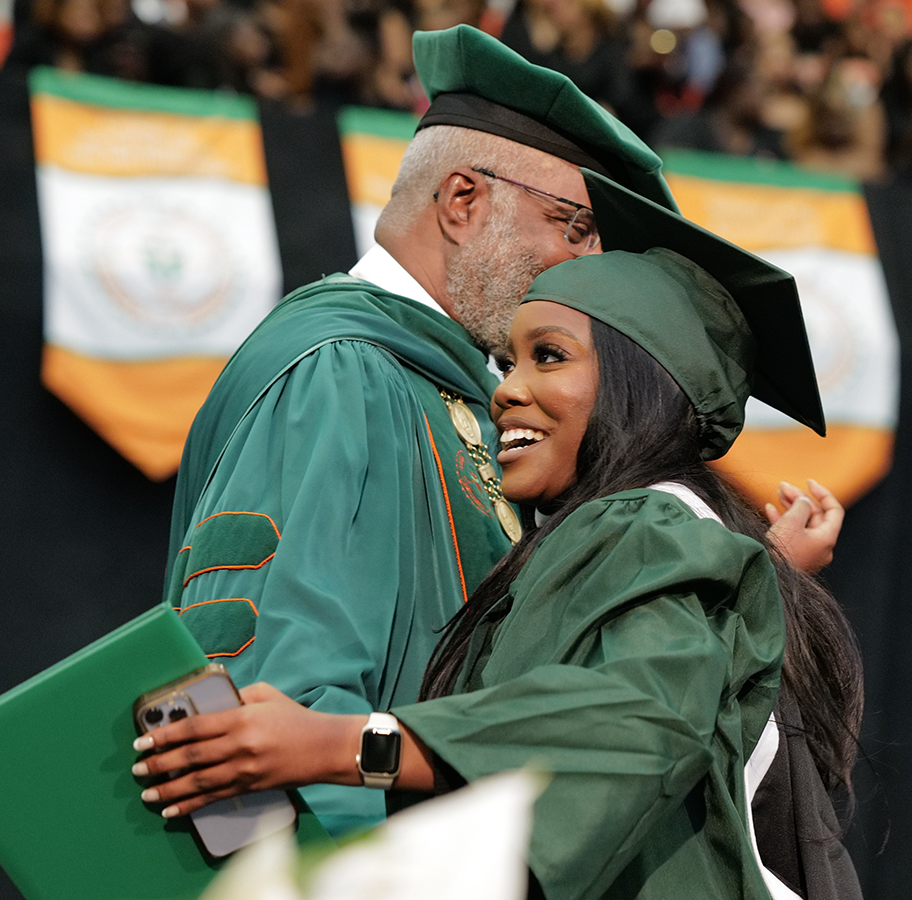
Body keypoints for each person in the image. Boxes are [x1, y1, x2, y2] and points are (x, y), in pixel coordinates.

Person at [136, 171, 863, 900]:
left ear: (635, 384)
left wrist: (341, 742)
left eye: (548, 356)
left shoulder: (644, 522)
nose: (505, 389)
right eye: (509, 360)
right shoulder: (644, 536)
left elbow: (631, 720)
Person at [161, 22, 679, 837]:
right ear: (463, 200)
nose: (584, 271)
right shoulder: (337, 371)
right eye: (570, 228)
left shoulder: (453, 387)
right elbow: (279, 690)